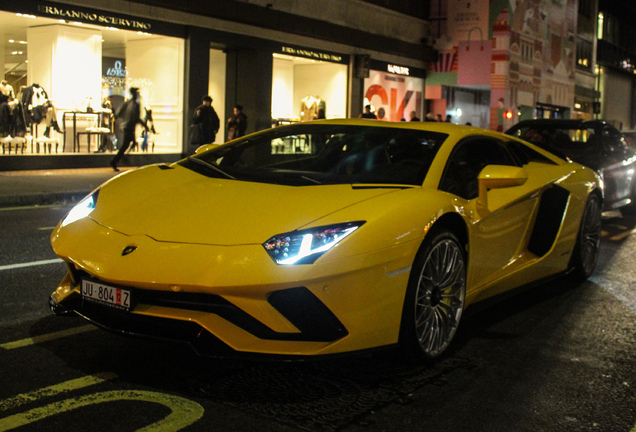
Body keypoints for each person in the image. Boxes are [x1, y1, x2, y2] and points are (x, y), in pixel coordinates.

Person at [110, 87, 146, 171]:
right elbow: (136, 118)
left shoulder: (128, 103)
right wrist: (145, 125)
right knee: (127, 144)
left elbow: (118, 113)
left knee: (131, 142)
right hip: (129, 127)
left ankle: (123, 158)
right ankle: (117, 160)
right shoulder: (134, 105)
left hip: (127, 126)